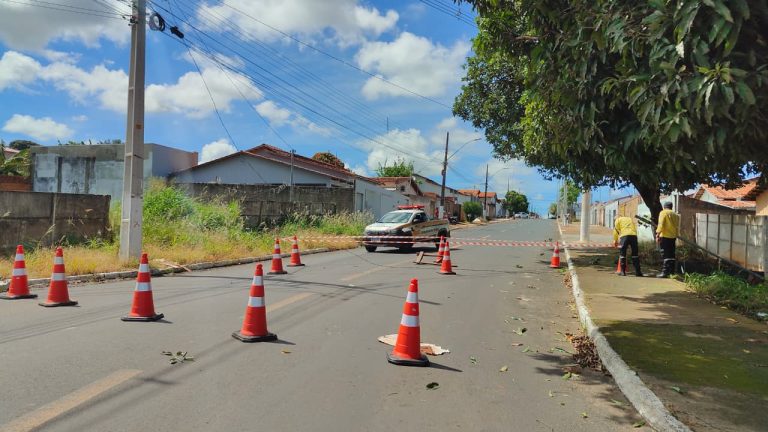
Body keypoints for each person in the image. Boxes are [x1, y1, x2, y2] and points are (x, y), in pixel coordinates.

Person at [655, 201, 680, 278]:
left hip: (665, 236)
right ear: (671, 207)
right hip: (673, 237)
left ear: (664, 206)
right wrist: (676, 235)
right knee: (672, 254)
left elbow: (661, 224)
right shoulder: (676, 215)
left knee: (665, 254)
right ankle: (671, 272)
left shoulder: (663, 212)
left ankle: (665, 272)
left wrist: (658, 233)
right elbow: (677, 226)